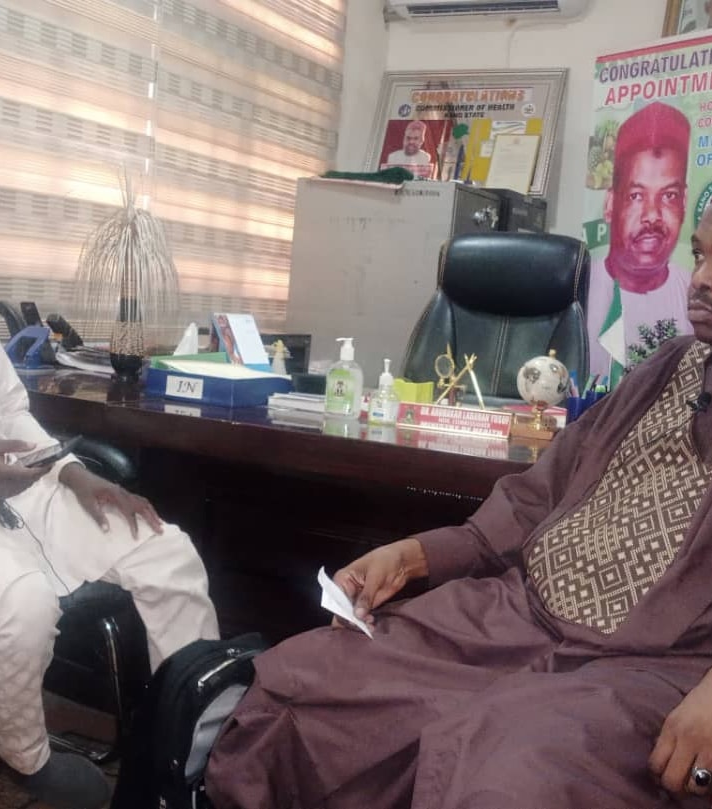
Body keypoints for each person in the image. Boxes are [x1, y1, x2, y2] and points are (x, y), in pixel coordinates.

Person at [204, 202, 712, 807]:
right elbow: (530, 504)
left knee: (511, 777)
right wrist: (413, 555)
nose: (700, 279)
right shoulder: (668, 368)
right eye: (702, 255)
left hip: (651, 669)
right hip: (516, 617)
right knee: (312, 684)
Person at [0, 115, 219, 809]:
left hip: (25, 485)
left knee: (166, 550)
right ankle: (26, 758)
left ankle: (185, 751)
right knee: (21, 602)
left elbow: (11, 406)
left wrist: (74, 473)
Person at [588, 101, 692, 375]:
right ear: (611, 203)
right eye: (636, 196)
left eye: (668, 196)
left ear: (684, 201)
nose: (652, 216)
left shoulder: (698, 296)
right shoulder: (578, 287)